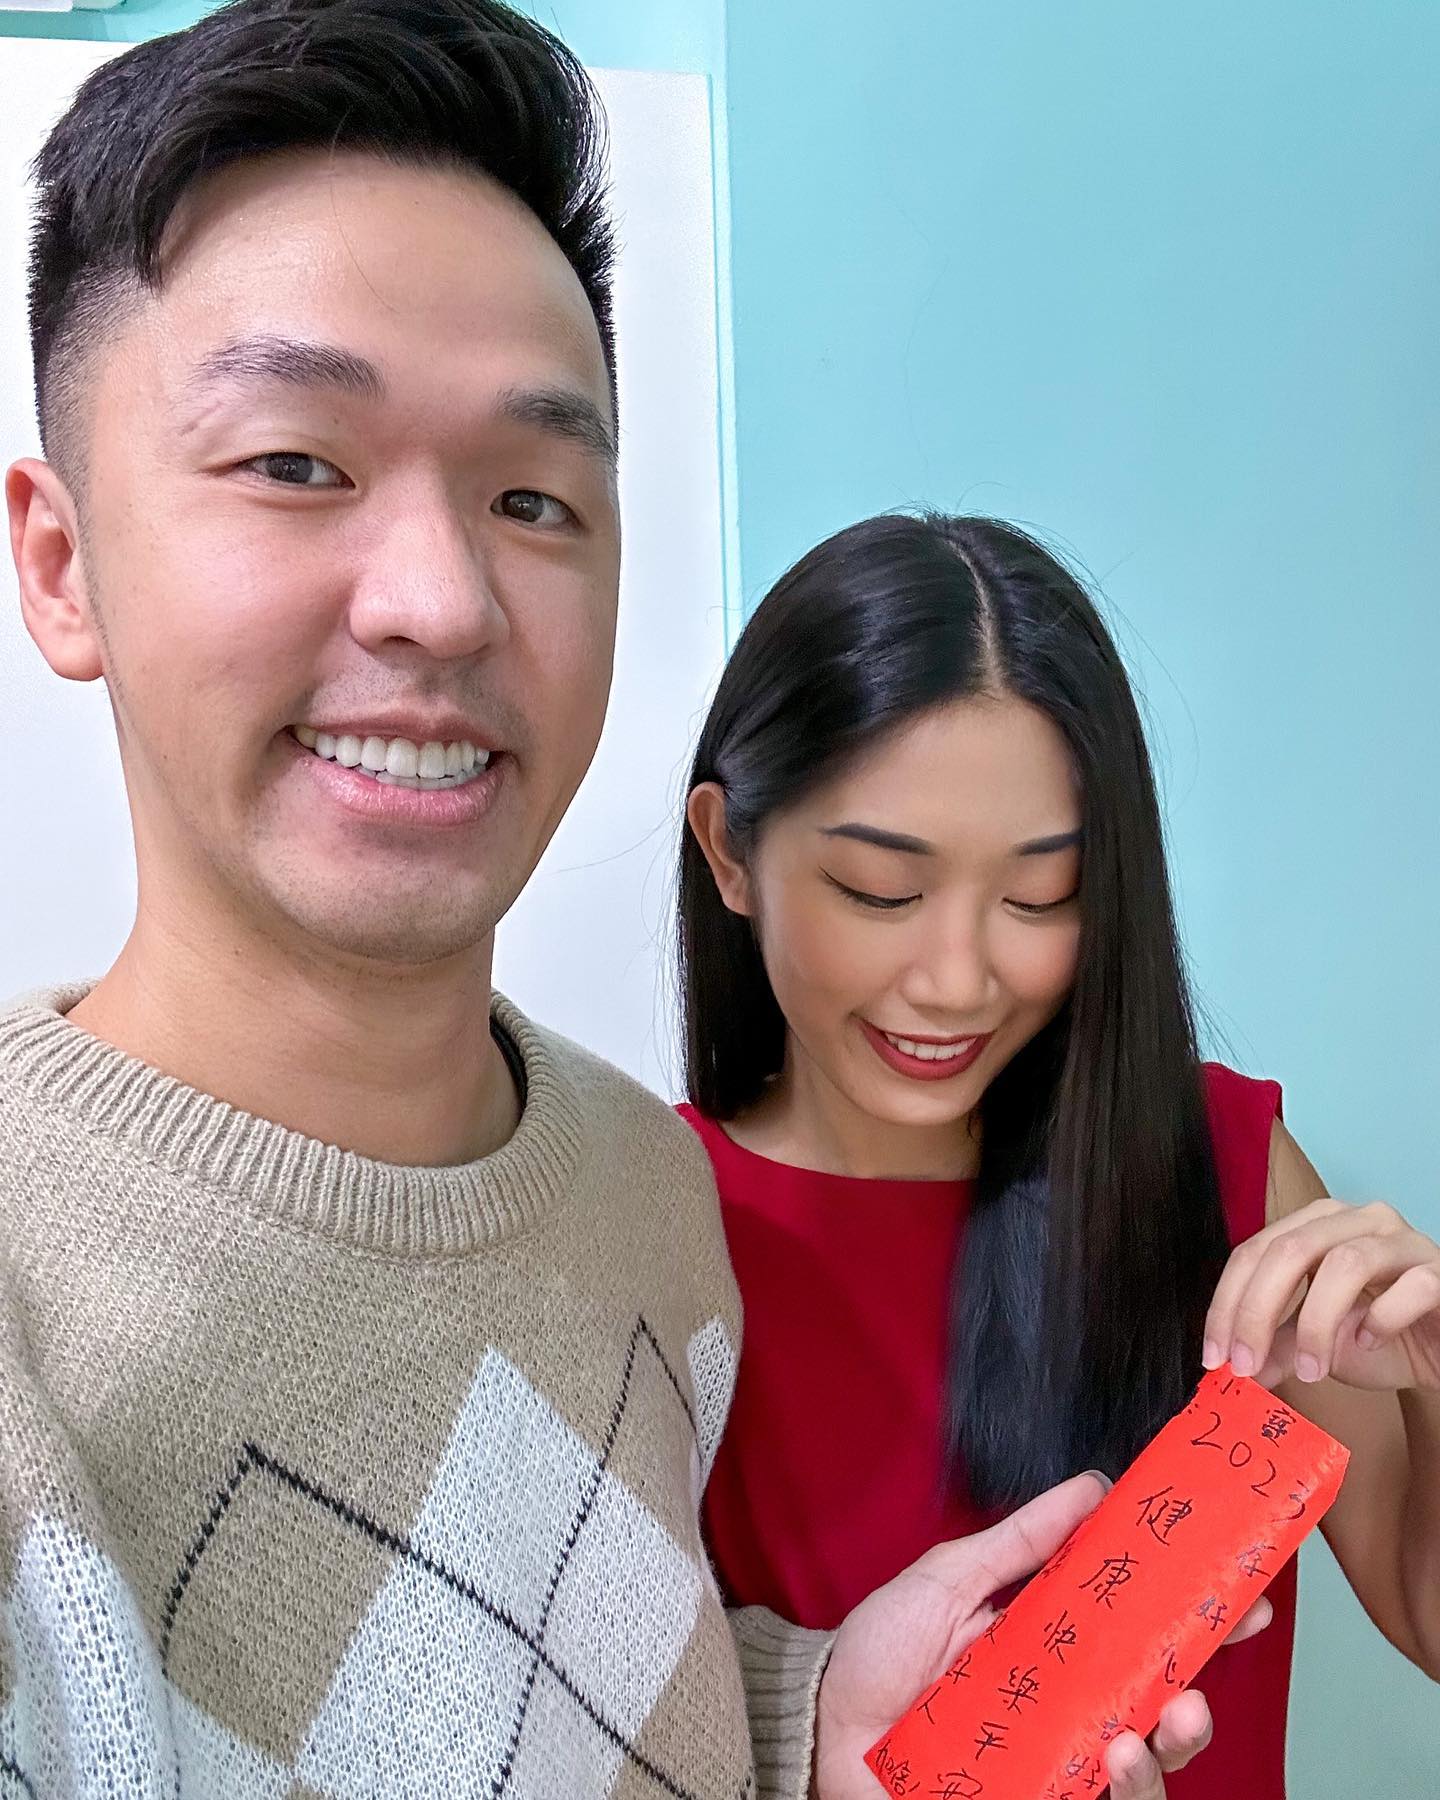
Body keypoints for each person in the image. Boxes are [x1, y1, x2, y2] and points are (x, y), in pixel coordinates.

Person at [0, 4, 1254, 1796]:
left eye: (533, 496)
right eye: (297, 465)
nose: (442, 598)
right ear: (61, 562)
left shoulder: (640, 1201)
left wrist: (807, 1720)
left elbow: (576, 1703)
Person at [680, 511, 1440, 1796]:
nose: (958, 979)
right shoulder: (655, 1219)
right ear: (729, 852)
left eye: (1040, 897)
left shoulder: (1223, 1170)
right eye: (880, 890)